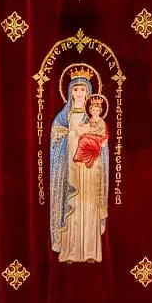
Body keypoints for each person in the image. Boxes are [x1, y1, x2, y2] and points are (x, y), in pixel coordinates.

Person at [50, 68, 109, 263]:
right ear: (70, 92)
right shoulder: (63, 117)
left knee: (89, 206)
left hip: (89, 171)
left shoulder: (93, 118)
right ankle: (70, 252)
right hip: (70, 169)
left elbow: (103, 143)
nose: (79, 93)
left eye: (83, 89)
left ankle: (90, 252)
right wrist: (71, 135)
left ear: (89, 92)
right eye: (76, 89)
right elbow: (56, 138)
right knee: (73, 207)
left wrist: (93, 141)